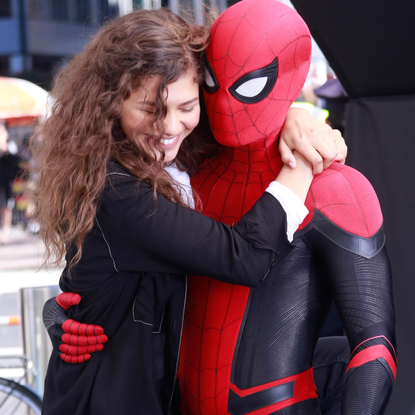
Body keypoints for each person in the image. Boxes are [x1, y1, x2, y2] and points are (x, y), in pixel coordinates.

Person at [37, 8, 345, 415]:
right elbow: (246, 256)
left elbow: (250, 123)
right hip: (107, 399)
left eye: (187, 106)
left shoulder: (181, 154)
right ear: (110, 104)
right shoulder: (114, 187)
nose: (169, 126)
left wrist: (296, 115)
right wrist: (302, 162)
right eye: (150, 109)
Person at [0, 124, 24, 245]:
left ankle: (4, 234)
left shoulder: (8, 151)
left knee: (6, 209)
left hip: (5, 184)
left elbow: (17, 162)